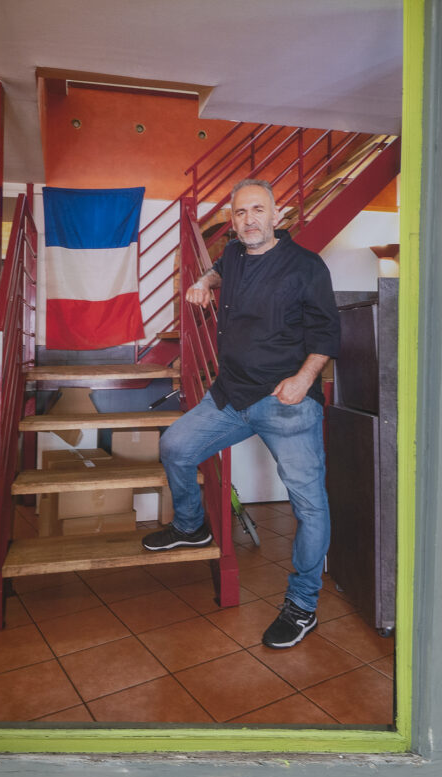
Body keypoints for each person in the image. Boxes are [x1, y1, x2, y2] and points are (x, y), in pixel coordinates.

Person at [142, 176, 340, 650]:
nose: (248, 220)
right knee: (175, 446)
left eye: (257, 210)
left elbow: (327, 335)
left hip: (285, 403)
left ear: (278, 216)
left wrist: (304, 379)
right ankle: (192, 527)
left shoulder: (307, 267)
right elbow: (221, 269)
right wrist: (204, 280)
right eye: (239, 213)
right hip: (230, 396)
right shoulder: (231, 254)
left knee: (309, 506)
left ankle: (303, 604)